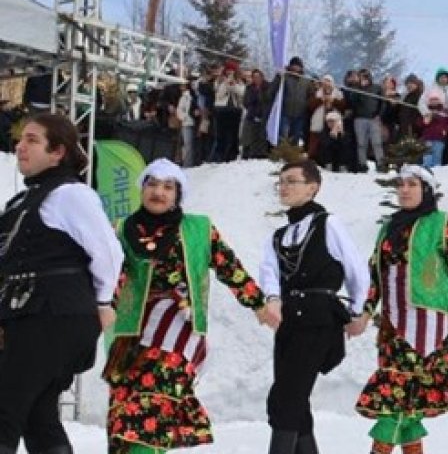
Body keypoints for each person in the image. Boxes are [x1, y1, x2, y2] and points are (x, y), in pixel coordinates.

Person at [104, 158, 271, 453]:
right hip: (133, 330)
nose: (159, 192)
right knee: (125, 406)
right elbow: (109, 276)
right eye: (152, 184)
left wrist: (258, 303)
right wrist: (100, 307)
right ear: (142, 189)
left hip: (179, 325)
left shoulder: (199, 228)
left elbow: (228, 267)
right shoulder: (121, 229)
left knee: (153, 401)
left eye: (168, 187)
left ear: (178, 195)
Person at [0, 114, 124, 454]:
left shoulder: (70, 194)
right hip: (30, 314)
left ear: (58, 152)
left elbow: (108, 251)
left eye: (32, 140)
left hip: (54, 313)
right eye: (20, 139)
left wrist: (103, 302)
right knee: (38, 417)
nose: (20, 146)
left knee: (5, 407)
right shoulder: (23, 201)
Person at [353, 166, 448, 454]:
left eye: (412, 184)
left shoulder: (441, 222)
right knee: (402, 397)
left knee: (400, 397)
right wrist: (365, 311)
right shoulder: (389, 227)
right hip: (392, 321)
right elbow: (375, 274)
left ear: (426, 190)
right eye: (401, 184)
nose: (404, 190)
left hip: (427, 322)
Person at [260, 160, 370, 453]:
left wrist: (357, 311)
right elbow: (269, 273)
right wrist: (272, 299)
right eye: (281, 181)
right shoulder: (278, 236)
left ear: (313, 188)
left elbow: (356, 269)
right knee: (293, 399)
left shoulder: (327, 224)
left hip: (319, 318)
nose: (283, 187)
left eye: (291, 181)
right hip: (289, 322)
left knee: (286, 399)